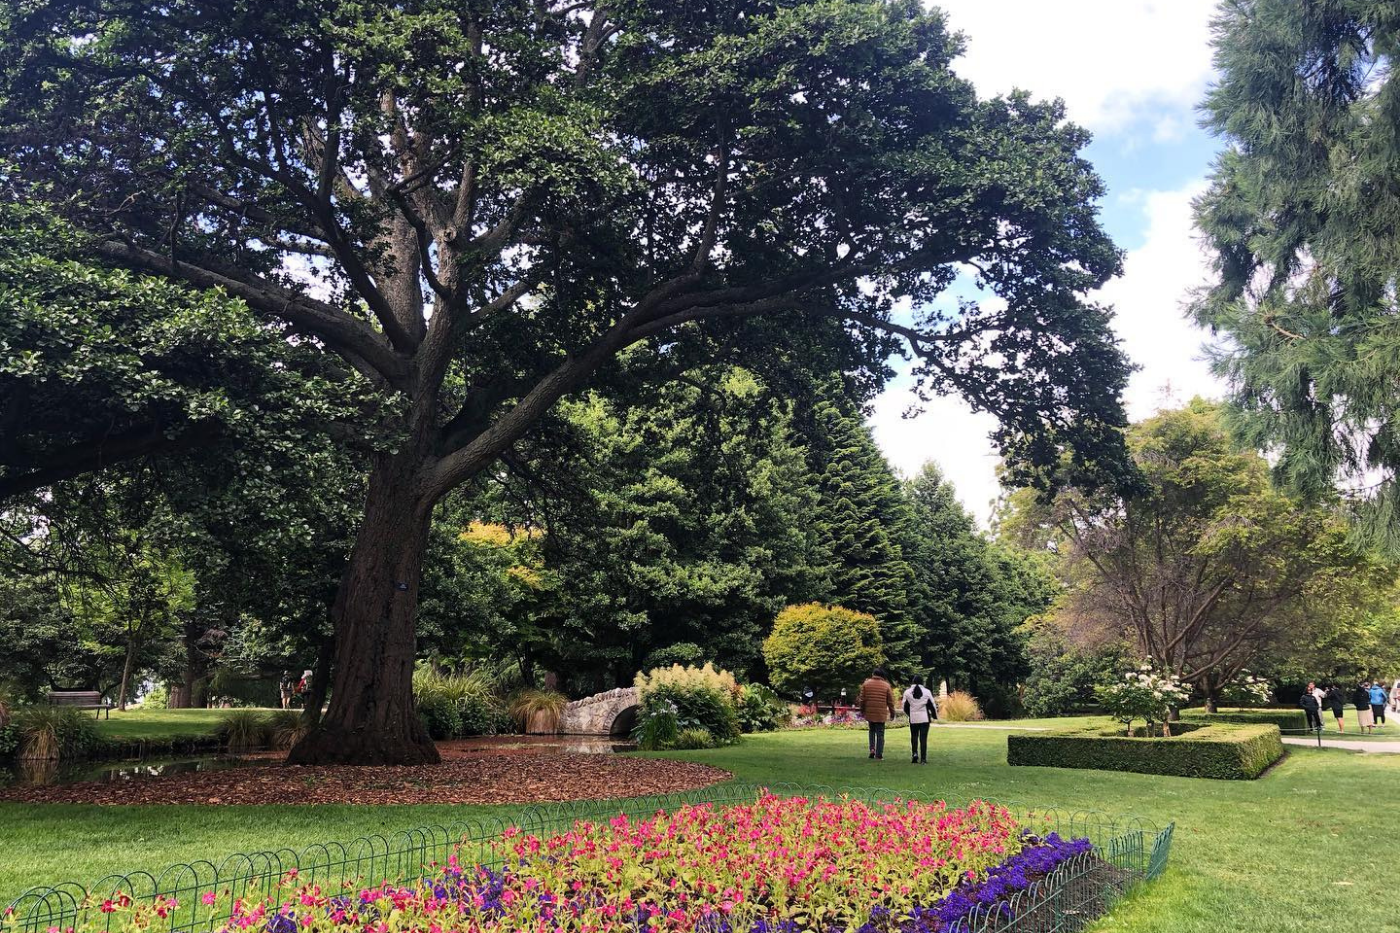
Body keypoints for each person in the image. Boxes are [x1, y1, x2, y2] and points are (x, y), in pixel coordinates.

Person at [856, 668, 896, 760]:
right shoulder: (886, 685)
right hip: (881, 714)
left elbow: (862, 699)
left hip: (870, 712)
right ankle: (879, 754)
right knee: (880, 734)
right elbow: (890, 702)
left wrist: (862, 710)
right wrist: (892, 713)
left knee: (871, 731)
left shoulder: (866, 684)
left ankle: (872, 749)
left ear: (873, 674)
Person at [902, 678, 937, 764]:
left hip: (913, 718)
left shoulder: (907, 692)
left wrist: (910, 714)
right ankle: (923, 759)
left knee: (914, 736)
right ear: (922, 682)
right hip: (924, 718)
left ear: (913, 682)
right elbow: (932, 705)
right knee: (923, 738)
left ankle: (914, 754)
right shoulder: (927, 692)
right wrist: (934, 715)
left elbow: (904, 706)